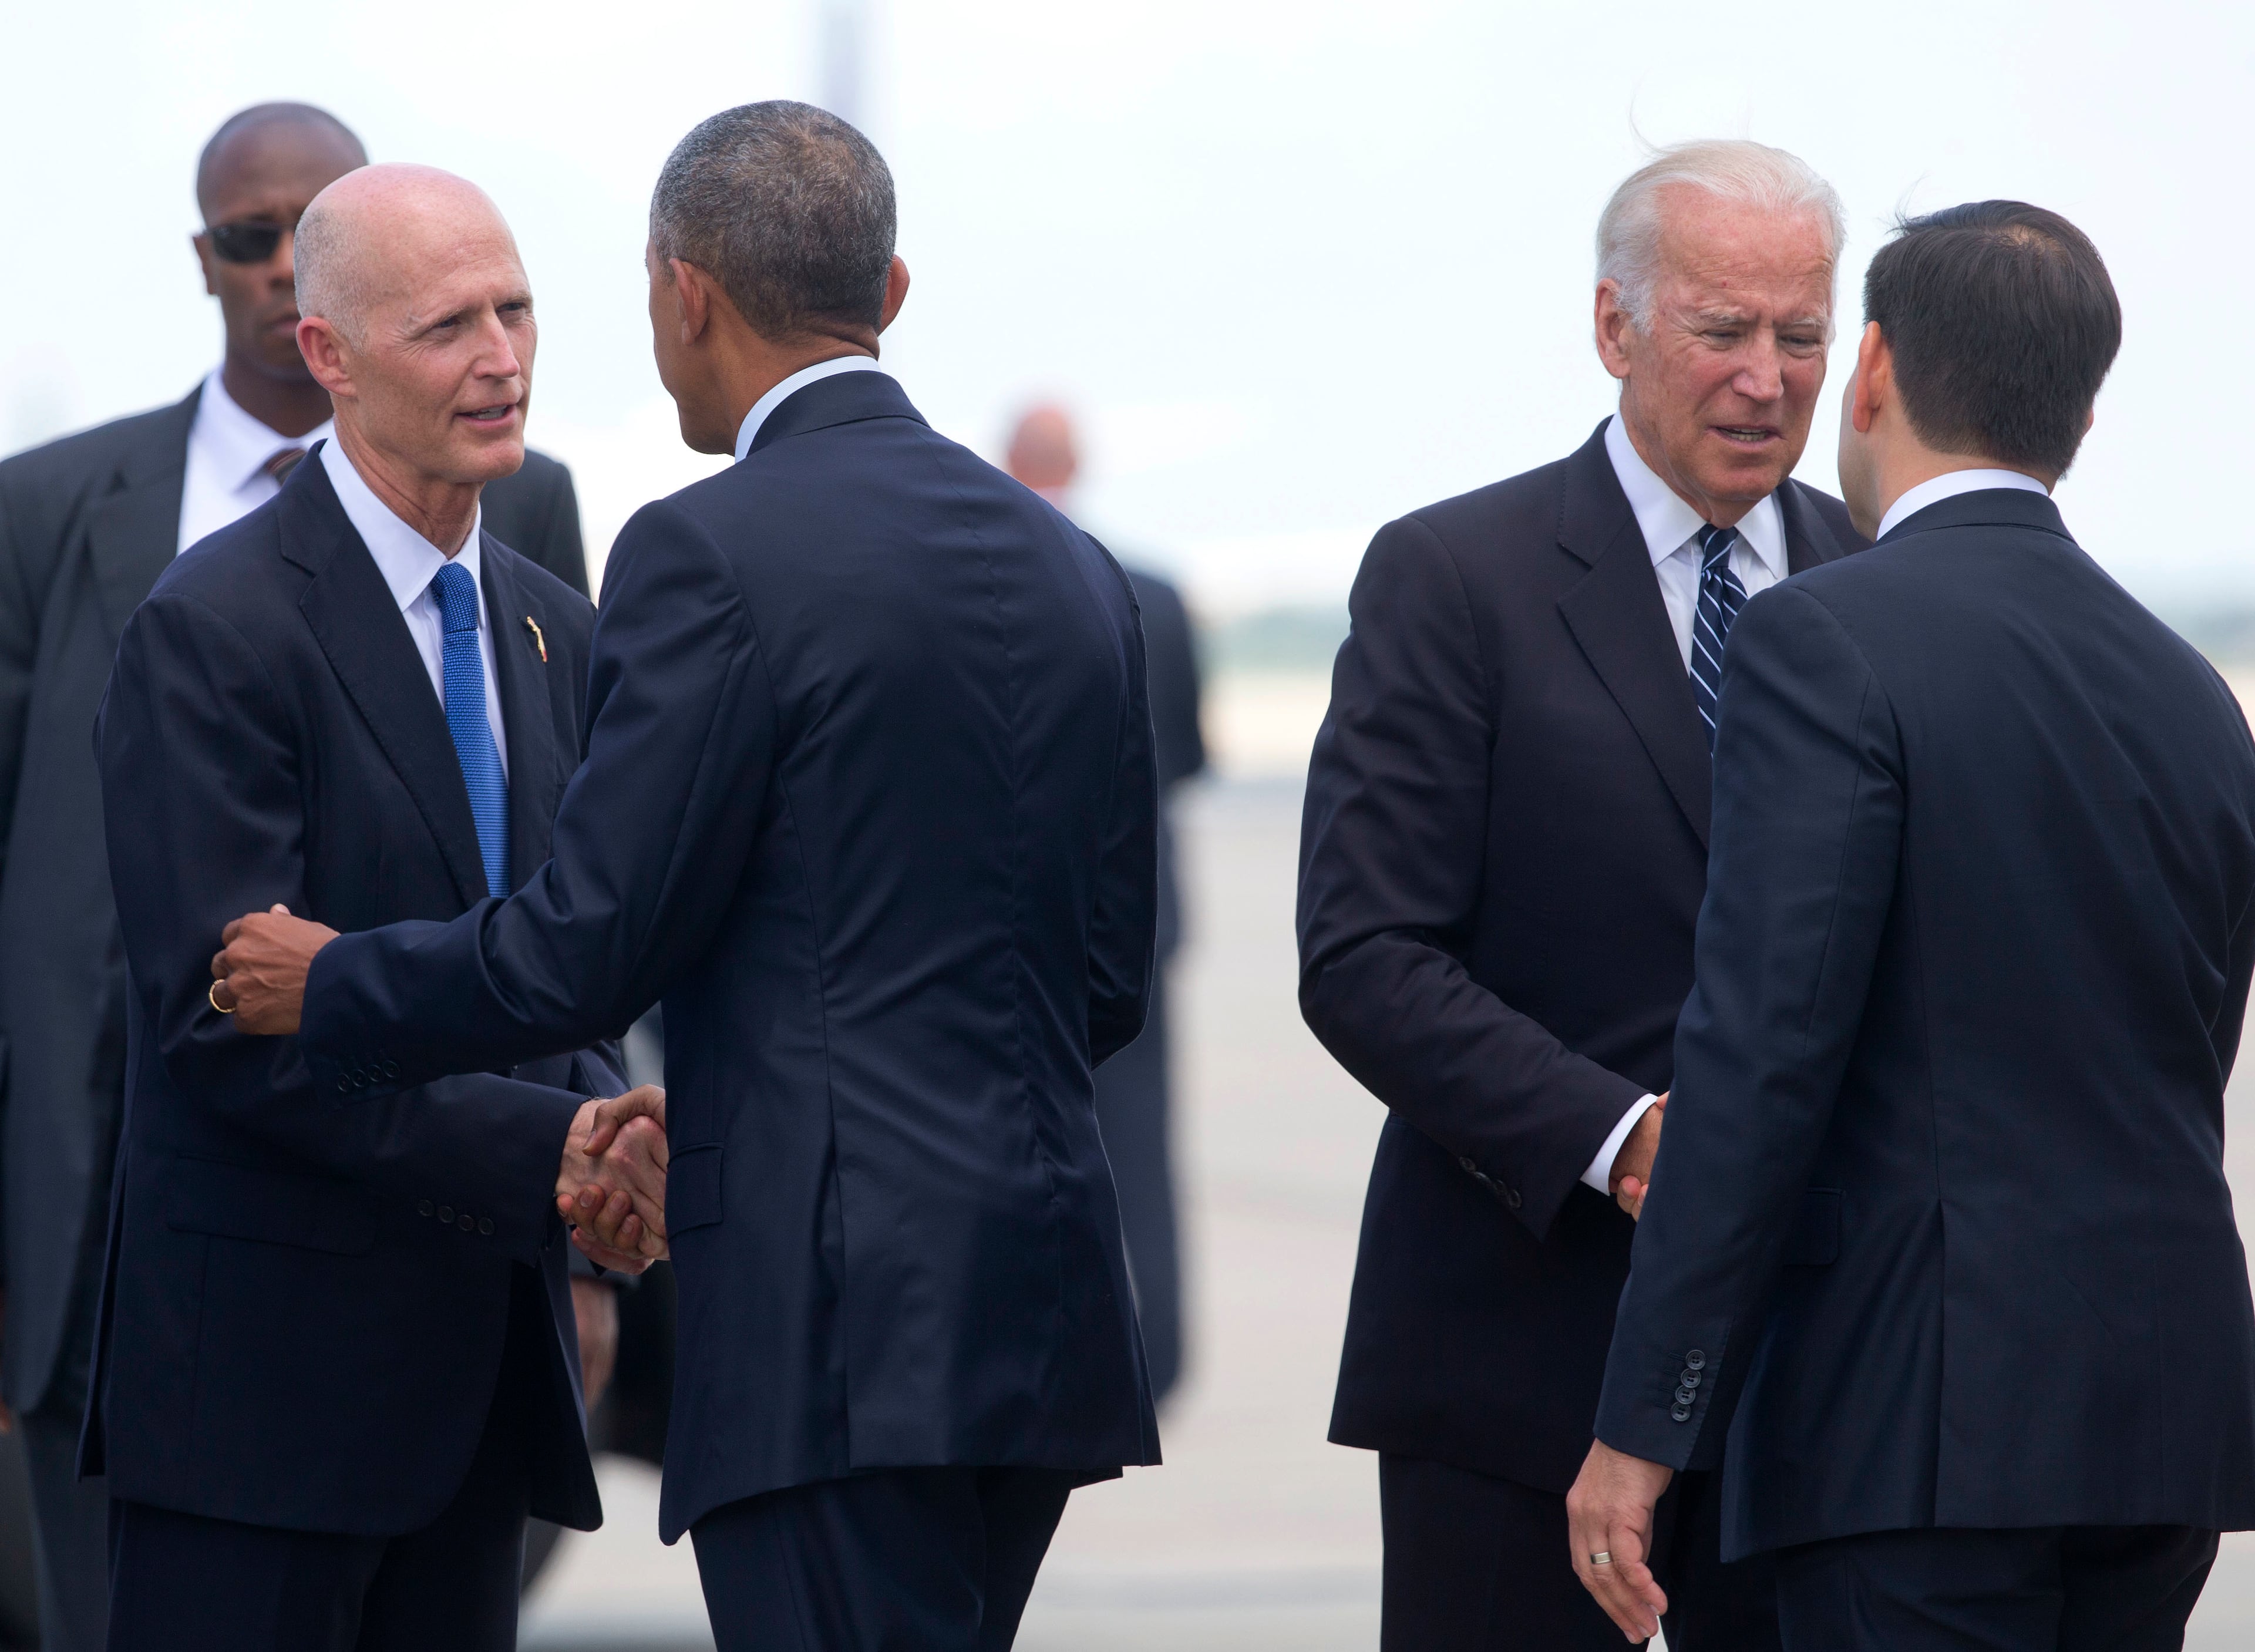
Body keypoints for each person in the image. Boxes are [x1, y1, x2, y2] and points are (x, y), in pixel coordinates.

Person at [213, 102, 1162, 1651]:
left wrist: (333, 978)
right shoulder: (1071, 562)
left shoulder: (707, 550)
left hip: (831, 1320)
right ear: (893, 292)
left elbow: (584, 947)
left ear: (683, 292)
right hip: (1044, 1307)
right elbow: (1108, 971)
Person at [1565, 200, 2255, 1650]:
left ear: (1869, 367)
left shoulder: (1822, 637)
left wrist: (1645, 1425)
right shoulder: (2189, 688)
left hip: (1920, 1427)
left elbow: (1759, 1060)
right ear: (2080, 406)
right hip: (2161, 1419)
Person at [0, 100, 594, 1652]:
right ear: (331, 357)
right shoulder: (215, 627)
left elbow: (565, 952)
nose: (500, 355)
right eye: (446, 324)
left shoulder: (545, 623)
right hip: (263, 1402)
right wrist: (558, 1142)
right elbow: (229, 1028)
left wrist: (610, 1142)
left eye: (515, 309)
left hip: (476, 1391)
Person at [1295, 139, 1863, 1650]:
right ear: (1615, 329)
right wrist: (1621, 1142)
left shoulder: (1877, 586)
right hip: (1515, 1356)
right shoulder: (1453, 578)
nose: (1765, 379)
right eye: (1721, 332)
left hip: (1814, 1386)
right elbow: (1362, 953)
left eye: (1800, 337)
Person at [1005, 402, 1205, 1406]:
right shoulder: (1153, 592)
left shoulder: (993, 581)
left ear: (1010, 460)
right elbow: (1192, 758)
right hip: (1145, 907)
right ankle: (1161, 1350)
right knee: (1142, 1137)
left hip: (1025, 915)